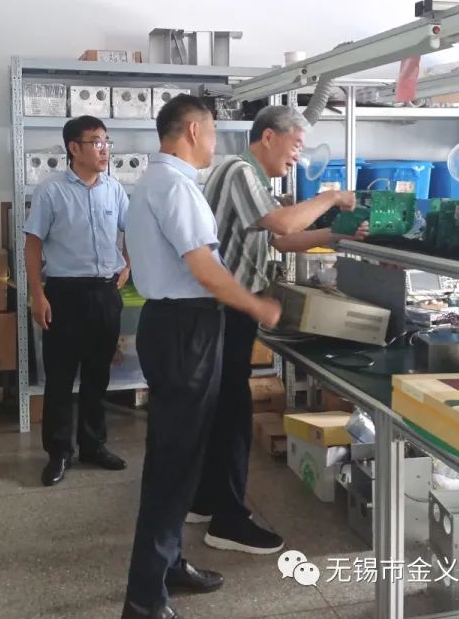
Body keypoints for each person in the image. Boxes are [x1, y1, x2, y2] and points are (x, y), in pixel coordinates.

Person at [121, 95, 282, 619]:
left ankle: (167, 564)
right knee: (174, 462)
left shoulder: (154, 181)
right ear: (193, 131)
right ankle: (145, 597)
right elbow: (206, 270)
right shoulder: (176, 188)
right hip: (186, 327)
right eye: (213, 131)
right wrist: (257, 305)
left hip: (171, 324)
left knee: (178, 455)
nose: (216, 141)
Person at [188, 104, 365, 555]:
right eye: (296, 144)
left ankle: (204, 499)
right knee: (231, 412)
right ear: (268, 137)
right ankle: (227, 521)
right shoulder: (239, 172)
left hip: (229, 308)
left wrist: (339, 237)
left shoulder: (253, 179)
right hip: (225, 308)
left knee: (221, 408)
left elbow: (282, 239)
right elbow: (284, 224)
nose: (298, 155)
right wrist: (331, 198)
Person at [24, 115, 131, 487]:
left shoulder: (114, 189)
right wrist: (37, 295)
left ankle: (93, 445)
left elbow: (131, 229)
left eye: (106, 142)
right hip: (64, 295)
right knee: (60, 377)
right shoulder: (51, 191)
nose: (104, 149)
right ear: (74, 148)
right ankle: (59, 452)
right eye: (96, 142)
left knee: (98, 375)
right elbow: (33, 245)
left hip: (105, 294)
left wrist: (128, 264)